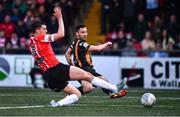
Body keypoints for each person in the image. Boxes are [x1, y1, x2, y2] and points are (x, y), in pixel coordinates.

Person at [28, 6, 126, 107]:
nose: (46, 30)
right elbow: (61, 34)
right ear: (37, 30)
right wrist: (60, 17)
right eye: (44, 29)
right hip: (55, 68)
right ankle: (114, 88)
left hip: (48, 76)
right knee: (88, 76)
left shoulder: (31, 43)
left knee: (77, 94)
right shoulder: (40, 38)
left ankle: (57, 104)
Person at [65, 25, 127, 98]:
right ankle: (113, 91)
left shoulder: (74, 42)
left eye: (86, 32)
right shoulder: (82, 44)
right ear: (77, 34)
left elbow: (67, 54)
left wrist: (72, 65)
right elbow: (98, 49)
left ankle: (71, 95)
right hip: (84, 69)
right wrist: (106, 44)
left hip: (81, 69)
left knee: (88, 88)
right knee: (102, 79)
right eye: (82, 32)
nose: (85, 34)